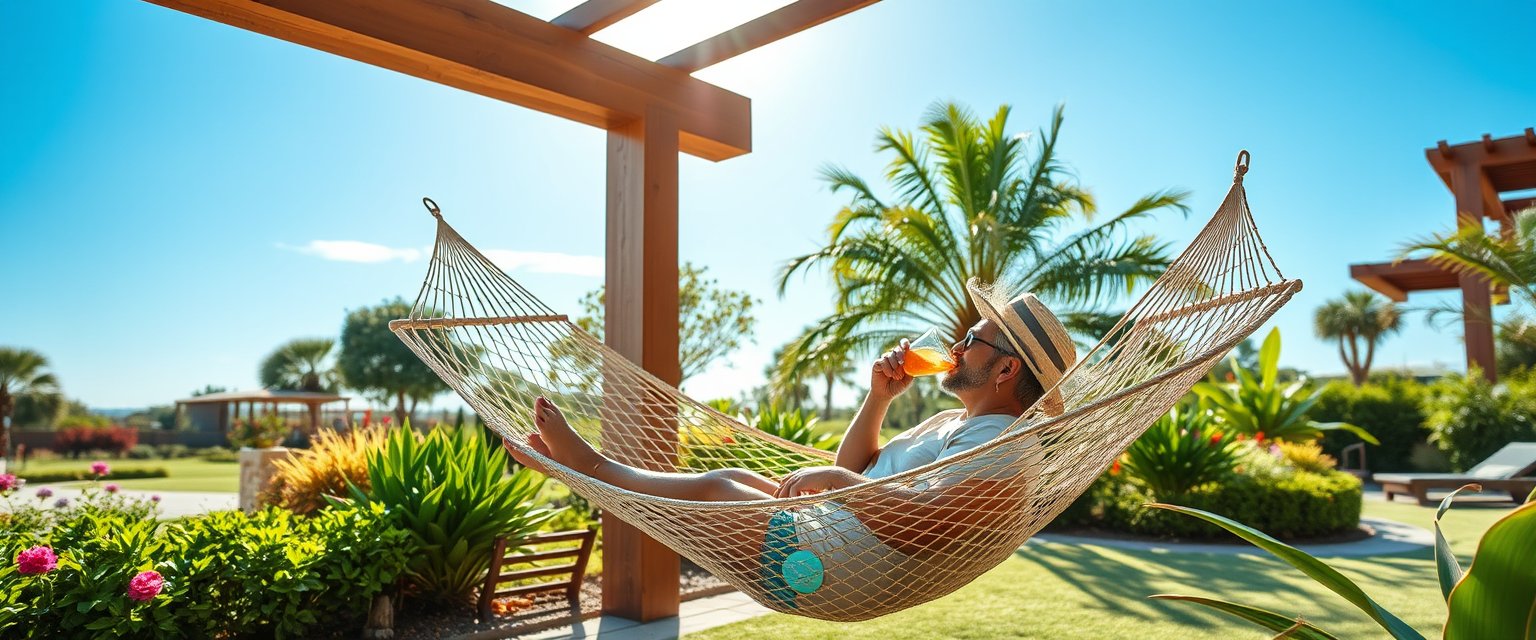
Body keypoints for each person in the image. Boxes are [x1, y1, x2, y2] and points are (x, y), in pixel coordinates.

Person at [504, 283, 1077, 514]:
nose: (957, 344)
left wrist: (838, 486)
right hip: (841, 527)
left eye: (973, 339)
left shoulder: (1002, 444)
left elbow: (928, 523)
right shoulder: (953, 422)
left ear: (1006, 368)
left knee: (717, 486)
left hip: (847, 560)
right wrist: (878, 398)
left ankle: (590, 466)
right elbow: (851, 468)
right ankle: (588, 468)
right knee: (736, 476)